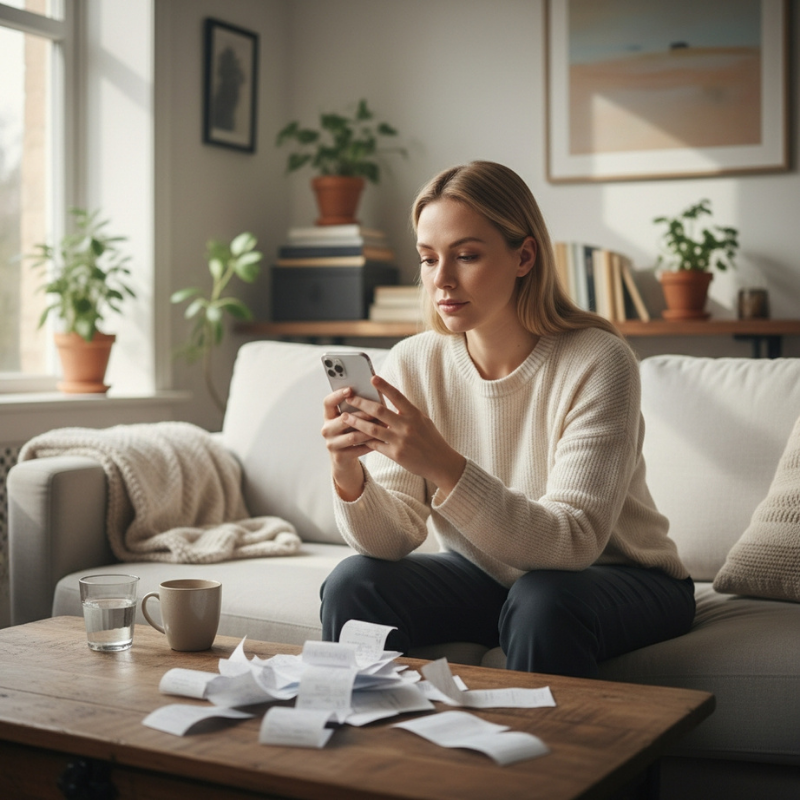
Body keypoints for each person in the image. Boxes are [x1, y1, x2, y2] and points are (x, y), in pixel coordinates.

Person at [319, 161, 694, 678]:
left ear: (525, 256)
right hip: (492, 578)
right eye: (428, 259)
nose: (442, 280)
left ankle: (548, 758)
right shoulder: (412, 361)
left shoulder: (598, 360)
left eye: (467, 256)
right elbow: (392, 540)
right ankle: (363, 747)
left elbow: (573, 540)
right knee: (354, 582)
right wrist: (349, 476)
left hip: (621, 577)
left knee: (545, 601)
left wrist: (446, 466)